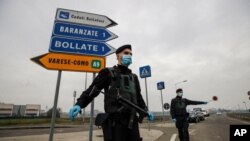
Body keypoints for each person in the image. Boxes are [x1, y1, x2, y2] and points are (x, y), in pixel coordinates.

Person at [68, 44, 154, 141]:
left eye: (131, 54)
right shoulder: (107, 72)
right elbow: (92, 89)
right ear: (117, 56)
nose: (129, 56)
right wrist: (79, 104)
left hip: (132, 122)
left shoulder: (134, 77)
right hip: (115, 123)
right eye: (126, 53)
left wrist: (146, 110)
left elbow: (138, 97)